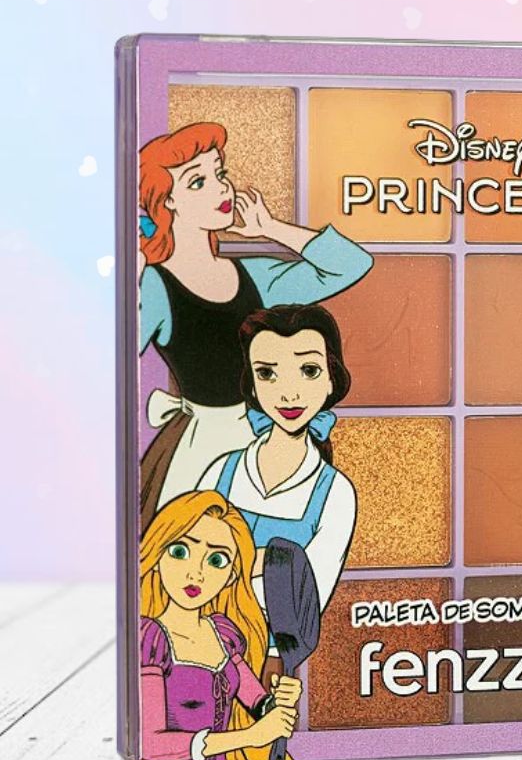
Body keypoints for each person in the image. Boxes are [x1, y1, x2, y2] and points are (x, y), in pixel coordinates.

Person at [138, 121, 373, 525]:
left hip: (267, 440)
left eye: (220, 173)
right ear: (168, 201)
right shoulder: (157, 285)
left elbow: (351, 264)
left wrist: (270, 228)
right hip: (200, 447)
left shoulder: (255, 275)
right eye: (198, 182)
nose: (222, 189)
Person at [198, 304, 356, 676]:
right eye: (268, 373)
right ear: (252, 385)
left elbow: (304, 602)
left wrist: (235, 562)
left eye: (308, 371)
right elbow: (183, 566)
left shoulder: (335, 494)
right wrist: (272, 564)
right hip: (199, 650)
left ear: (331, 379)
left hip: (272, 663)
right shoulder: (221, 472)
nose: (288, 393)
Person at [139, 491, 302, 760]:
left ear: (231, 577)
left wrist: (280, 701)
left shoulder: (224, 634)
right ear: (157, 557)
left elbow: (257, 703)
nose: (196, 573)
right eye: (180, 552)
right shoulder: (152, 641)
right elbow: (150, 744)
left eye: (216, 560)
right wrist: (250, 737)